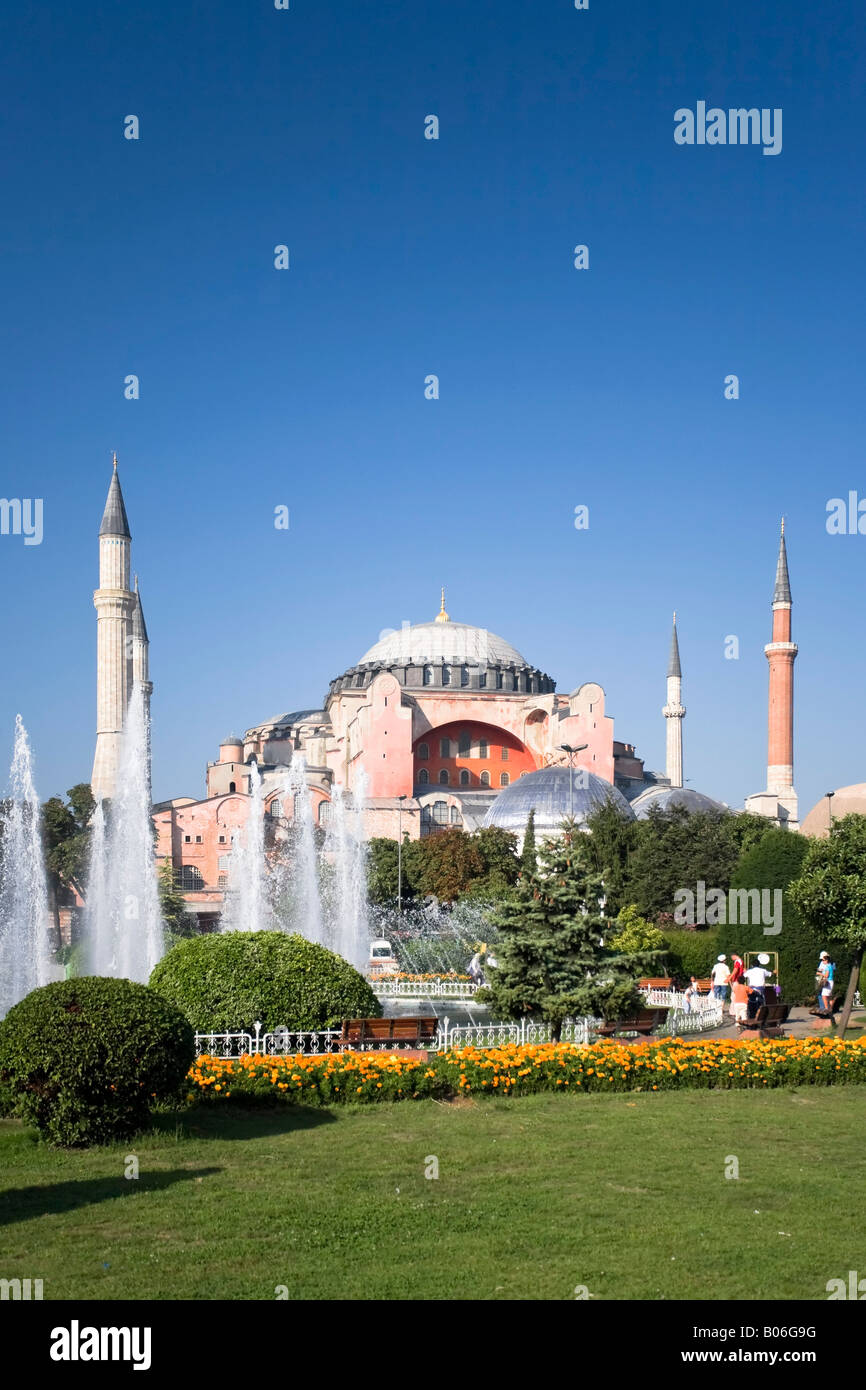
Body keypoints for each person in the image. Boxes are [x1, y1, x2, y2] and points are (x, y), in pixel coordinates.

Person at [816, 951, 835, 1016]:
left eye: (823, 960)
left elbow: (826, 975)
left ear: (826, 959)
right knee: (828, 996)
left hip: (827, 981)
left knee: (824, 996)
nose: (822, 961)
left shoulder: (828, 965)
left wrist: (820, 973)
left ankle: (827, 1008)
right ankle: (829, 1009)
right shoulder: (829, 964)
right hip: (828, 981)